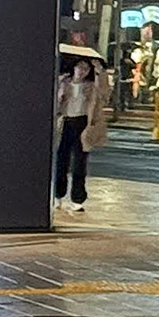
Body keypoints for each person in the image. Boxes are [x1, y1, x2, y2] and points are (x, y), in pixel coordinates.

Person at [53, 56, 109, 213]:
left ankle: (77, 199)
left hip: (82, 125)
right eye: (80, 67)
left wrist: (100, 72)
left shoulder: (91, 86)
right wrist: (60, 96)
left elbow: (104, 93)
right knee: (60, 162)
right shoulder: (63, 83)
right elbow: (55, 104)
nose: (82, 71)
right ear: (74, 67)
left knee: (79, 163)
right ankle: (57, 195)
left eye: (86, 69)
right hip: (64, 124)